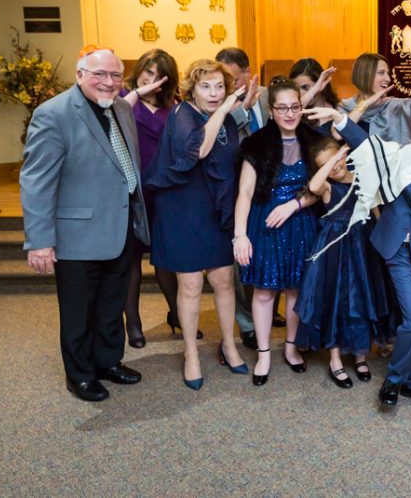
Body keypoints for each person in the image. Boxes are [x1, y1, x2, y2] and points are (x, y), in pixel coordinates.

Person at [303, 106, 411, 408]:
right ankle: (394, 380)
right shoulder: (408, 156)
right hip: (396, 248)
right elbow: (369, 146)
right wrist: (339, 119)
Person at [21, 46, 149, 402]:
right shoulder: (54, 114)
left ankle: (108, 361)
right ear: (79, 74)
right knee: (79, 310)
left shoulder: (122, 108)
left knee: (111, 303)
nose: (108, 83)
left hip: (120, 227)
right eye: (99, 74)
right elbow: (36, 181)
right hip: (75, 234)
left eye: (115, 75)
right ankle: (79, 374)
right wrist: (39, 241)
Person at [144, 59, 248, 390]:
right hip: (183, 209)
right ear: (193, 87)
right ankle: (190, 353)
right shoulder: (182, 114)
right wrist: (225, 110)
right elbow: (199, 149)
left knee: (224, 281)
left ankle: (229, 344)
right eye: (206, 86)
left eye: (220, 86)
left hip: (215, 210)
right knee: (189, 286)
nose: (214, 93)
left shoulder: (229, 120)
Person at [232, 79, 320, 387]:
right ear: (271, 110)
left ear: (301, 106)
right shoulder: (256, 143)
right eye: (282, 108)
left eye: (294, 106)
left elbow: (321, 188)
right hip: (265, 223)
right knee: (265, 290)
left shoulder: (313, 140)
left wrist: (294, 205)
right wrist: (240, 235)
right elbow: (244, 192)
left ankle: (292, 348)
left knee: (296, 289)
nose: (289, 113)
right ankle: (265, 353)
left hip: (300, 222)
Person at [294, 137, 391, 388]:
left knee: (362, 298)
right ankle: (335, 359)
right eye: (327, 164)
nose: (335, 166)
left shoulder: (362, 177)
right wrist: (332, 161)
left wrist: (383, 244)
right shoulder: (325, 185)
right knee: (335, 301)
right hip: (335, 248)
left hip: (363, 246)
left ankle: (360, 355)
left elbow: (375, 210)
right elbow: (314, 185)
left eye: (337, 159)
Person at [119, 48, 190, 348]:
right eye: (147, 74)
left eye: (158, 76)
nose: (151, 81)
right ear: (138, 73)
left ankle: (177, 313)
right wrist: (137, 92)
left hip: (164, 191)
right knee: (131, 260)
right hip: (131, 190)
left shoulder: (175, 106)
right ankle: (133, 323)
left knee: (165, 260)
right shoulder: (122, 100)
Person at [216, 47, 279, 342]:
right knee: (241, 261)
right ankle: (248, 325)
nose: (225, 83)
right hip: (237, 189)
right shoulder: (223, 105)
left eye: (230, 76)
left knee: (271, 252)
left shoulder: (268, 96)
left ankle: (268, 307)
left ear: (246, 71)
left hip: (272, 190)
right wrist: (240, 109)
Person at [338, 52, 411, 143]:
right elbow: (340, 131)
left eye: (388, 73)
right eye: (381, 73)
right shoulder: (345, 107)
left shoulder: (393, 105)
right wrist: (365, 104)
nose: (388, 79)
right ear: (364, 75)